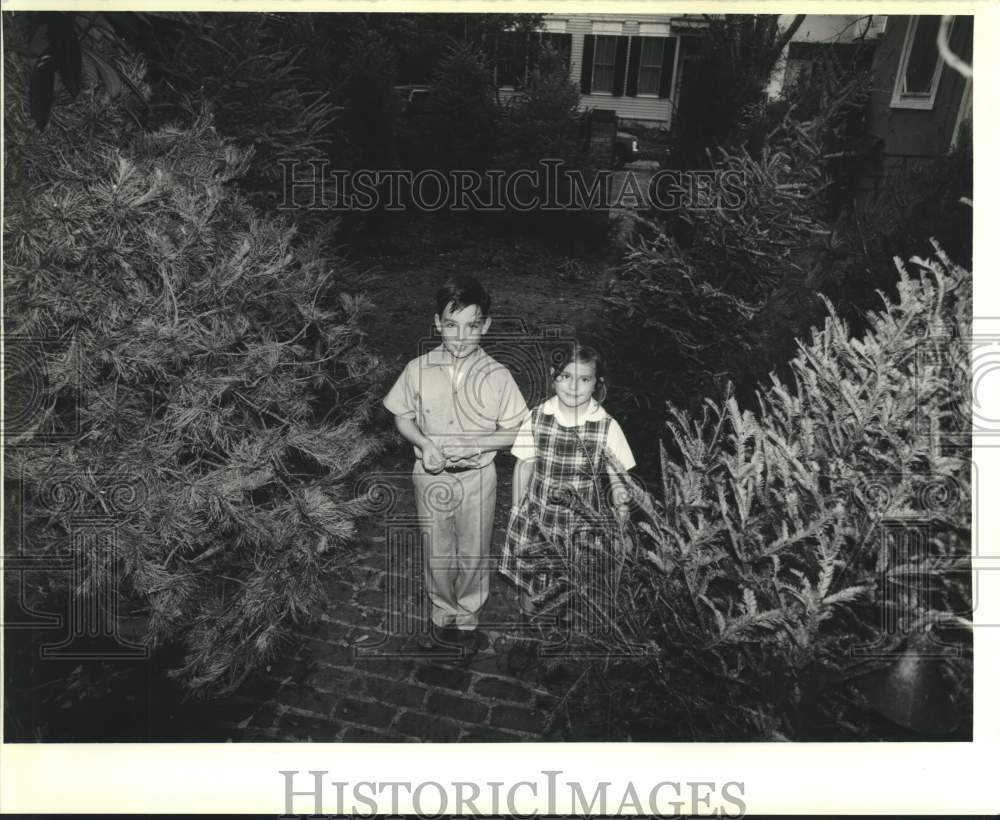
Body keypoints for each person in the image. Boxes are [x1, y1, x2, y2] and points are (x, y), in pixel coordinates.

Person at [383, 275, 528, 657]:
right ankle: (441, 612)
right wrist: (423, 442)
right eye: (451, 325)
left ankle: (467, 619)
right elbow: (401, 416)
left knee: (474, 550)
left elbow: (516, 431)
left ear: (486, 326)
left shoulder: (498, 377)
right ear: (437, 323)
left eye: (471, 327)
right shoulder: (418, 368)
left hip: (477, 479)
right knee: (437, 549)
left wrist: (477, 443)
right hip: (429, 479)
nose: (460, 336)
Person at [499, 343, 636, 620]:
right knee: (532, 580)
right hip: (538, 517)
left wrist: (621, 504)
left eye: (584, 379)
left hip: (579, 526)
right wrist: (517, 507)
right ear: (553, 376)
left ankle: (563, 632)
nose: (574, 387)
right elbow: (524, 464)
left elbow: (619, 475)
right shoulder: (537, 417)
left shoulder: (606, 425)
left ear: (597, 384)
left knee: (572, 584)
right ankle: (530, 627)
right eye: (566, 377)